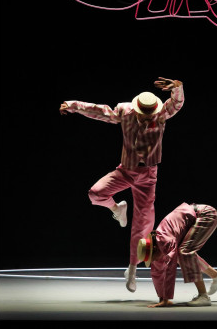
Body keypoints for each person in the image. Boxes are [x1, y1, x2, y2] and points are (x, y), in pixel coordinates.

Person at [59, 77, 184, 293]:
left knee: (143, 224)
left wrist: (178, 88)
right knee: (95, 193)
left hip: (148, 176)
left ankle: (132, 270)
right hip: (126, 169)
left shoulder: (161, 114)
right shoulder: (125, 112)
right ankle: (118, 209)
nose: (147, 117)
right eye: (144, 113)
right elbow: (100, 111)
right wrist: (73, 105)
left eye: (149, 114)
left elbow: (176, 104)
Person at [138, 202, 217, 307]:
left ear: (154, 249)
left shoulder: (163, 240)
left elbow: (170, 269)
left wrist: (166, 299)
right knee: (181, 254)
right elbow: (157, 273)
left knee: (184, 252)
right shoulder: (158, 248)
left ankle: (203, 296)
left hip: (206, 214)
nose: (153, 261)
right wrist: (162, 298)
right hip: (195, 216)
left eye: (152, 258)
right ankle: (216, 276)